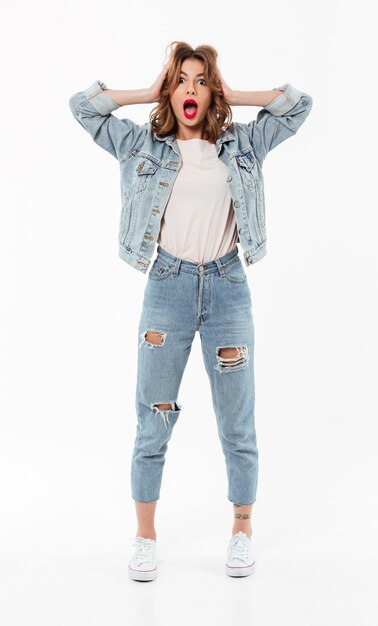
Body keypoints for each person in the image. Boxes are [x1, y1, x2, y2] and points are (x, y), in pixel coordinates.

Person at [68, 40, 313, 582]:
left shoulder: (243, 145)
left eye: (201, 81)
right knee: (152, 419)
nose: (191, 90)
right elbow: (82, 108)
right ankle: (145, 537)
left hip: (228, 286)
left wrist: (236, 94)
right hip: (167, 287)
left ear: (212, 90)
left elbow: (299, 106)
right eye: (182, 80)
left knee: (237, 423)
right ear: (169, 89)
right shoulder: (140, 147)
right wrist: (144, 90)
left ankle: (243, 531)